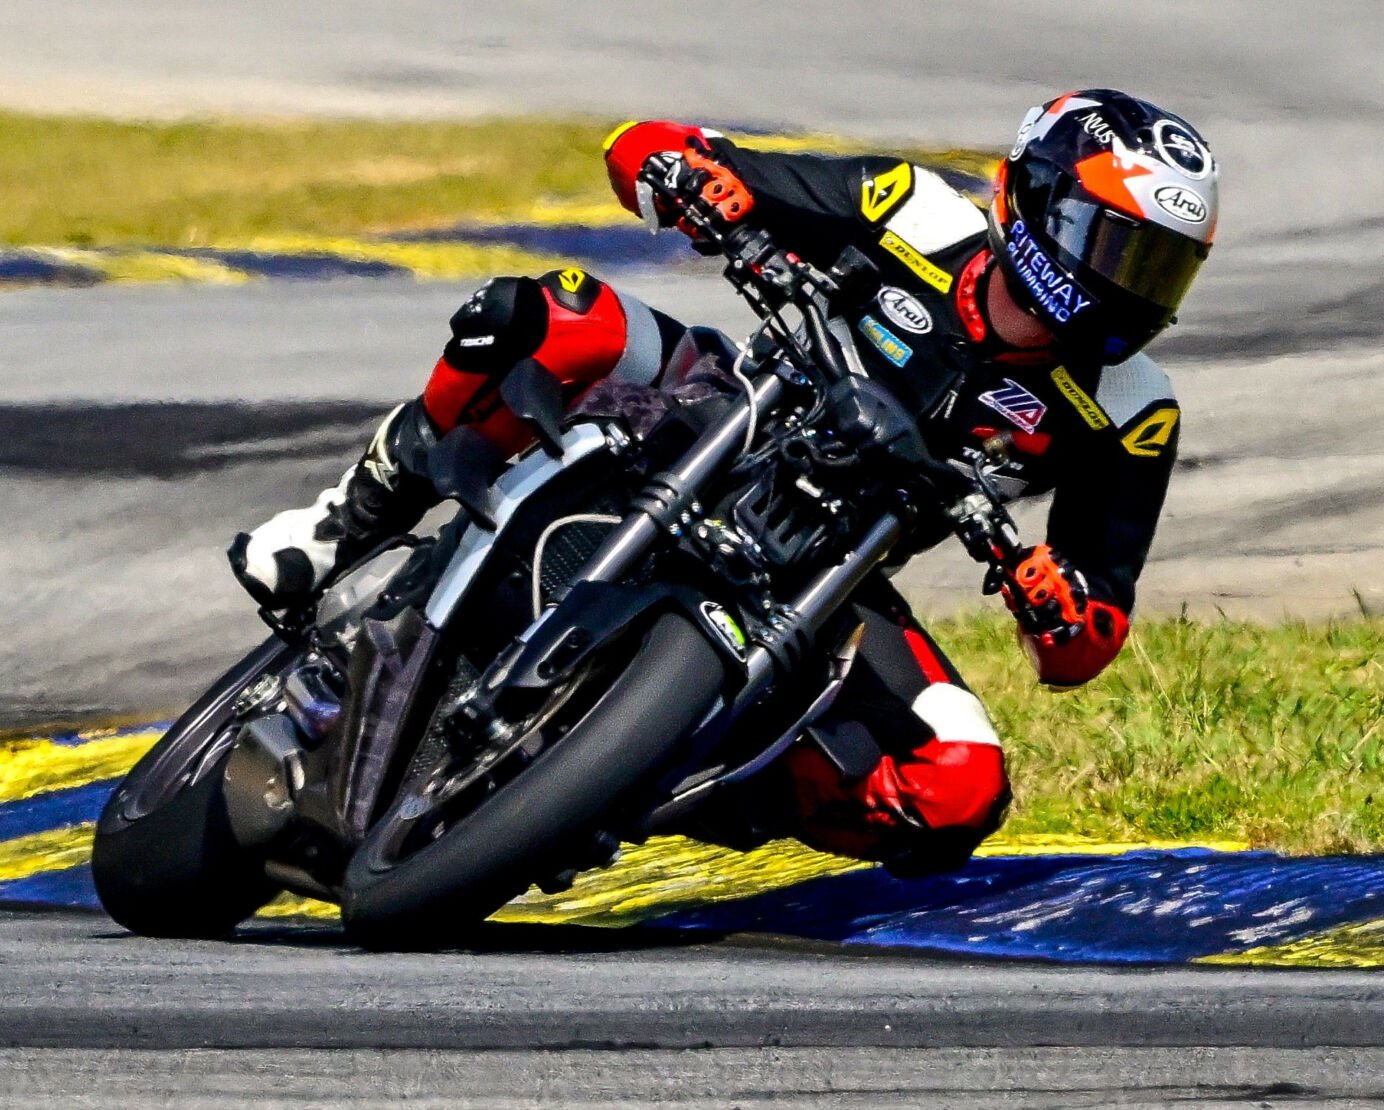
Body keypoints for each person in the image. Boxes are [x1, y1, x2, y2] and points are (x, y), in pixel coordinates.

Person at [230, 89, 1218, 874]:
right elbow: (649, 146)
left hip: (835, 569)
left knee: (961, 783)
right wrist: (694, 180)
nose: (1124, 283)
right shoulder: (911, 207)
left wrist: (1060, 606)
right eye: (1112, 244)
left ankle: (655, 783)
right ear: (1033, 198)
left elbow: (1091, 636)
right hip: (715, 410)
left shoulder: (1132, 406)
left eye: (1158, 267)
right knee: (557, 312)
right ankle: (339, 527)